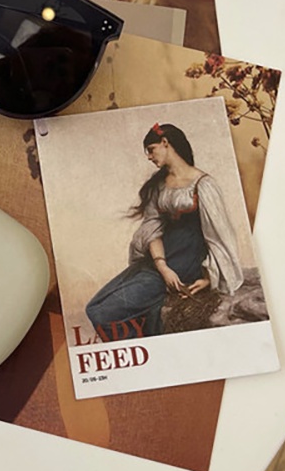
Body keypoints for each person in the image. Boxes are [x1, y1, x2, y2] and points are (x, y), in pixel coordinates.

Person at [85, 122, 243, 340]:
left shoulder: (204, 185)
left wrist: (209, 278)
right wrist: (162, 266)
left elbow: (220, 237)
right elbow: (153, 228)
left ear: (165, 143)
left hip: (185, 265)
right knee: (93, 307)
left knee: (103, 314)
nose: (149, 157)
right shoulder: (159, 186)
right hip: (158, 262)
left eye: (151, 150)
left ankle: (143, 348)